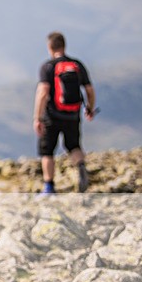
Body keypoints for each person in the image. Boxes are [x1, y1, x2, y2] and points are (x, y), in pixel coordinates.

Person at [33, 31, 96, 195]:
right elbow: (89, 90)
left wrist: (37, 118)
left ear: (49, 47)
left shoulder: (48, 67)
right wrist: (89, 108)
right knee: (74, 146)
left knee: (47, 151)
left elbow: (43, 92)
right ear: (64, 45)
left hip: (51, 116)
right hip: (72, 115)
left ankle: (49, 187)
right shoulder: (77, 65)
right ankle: (80, 166)